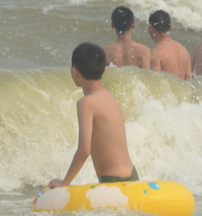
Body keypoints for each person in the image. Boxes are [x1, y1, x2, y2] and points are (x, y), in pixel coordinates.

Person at [48, 43, 137, 187]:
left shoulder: (86, 103)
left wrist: (65, 184)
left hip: (113, 181)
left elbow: (84, 151)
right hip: (131, 175)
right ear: (104, 70)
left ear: (74, 72)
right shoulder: (110, 98)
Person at [147, 10, 192, 80]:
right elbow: (189, 80)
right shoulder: (183, 50)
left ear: (150, 28)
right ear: (170, 27)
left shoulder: (155, 54)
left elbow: (155, 84)